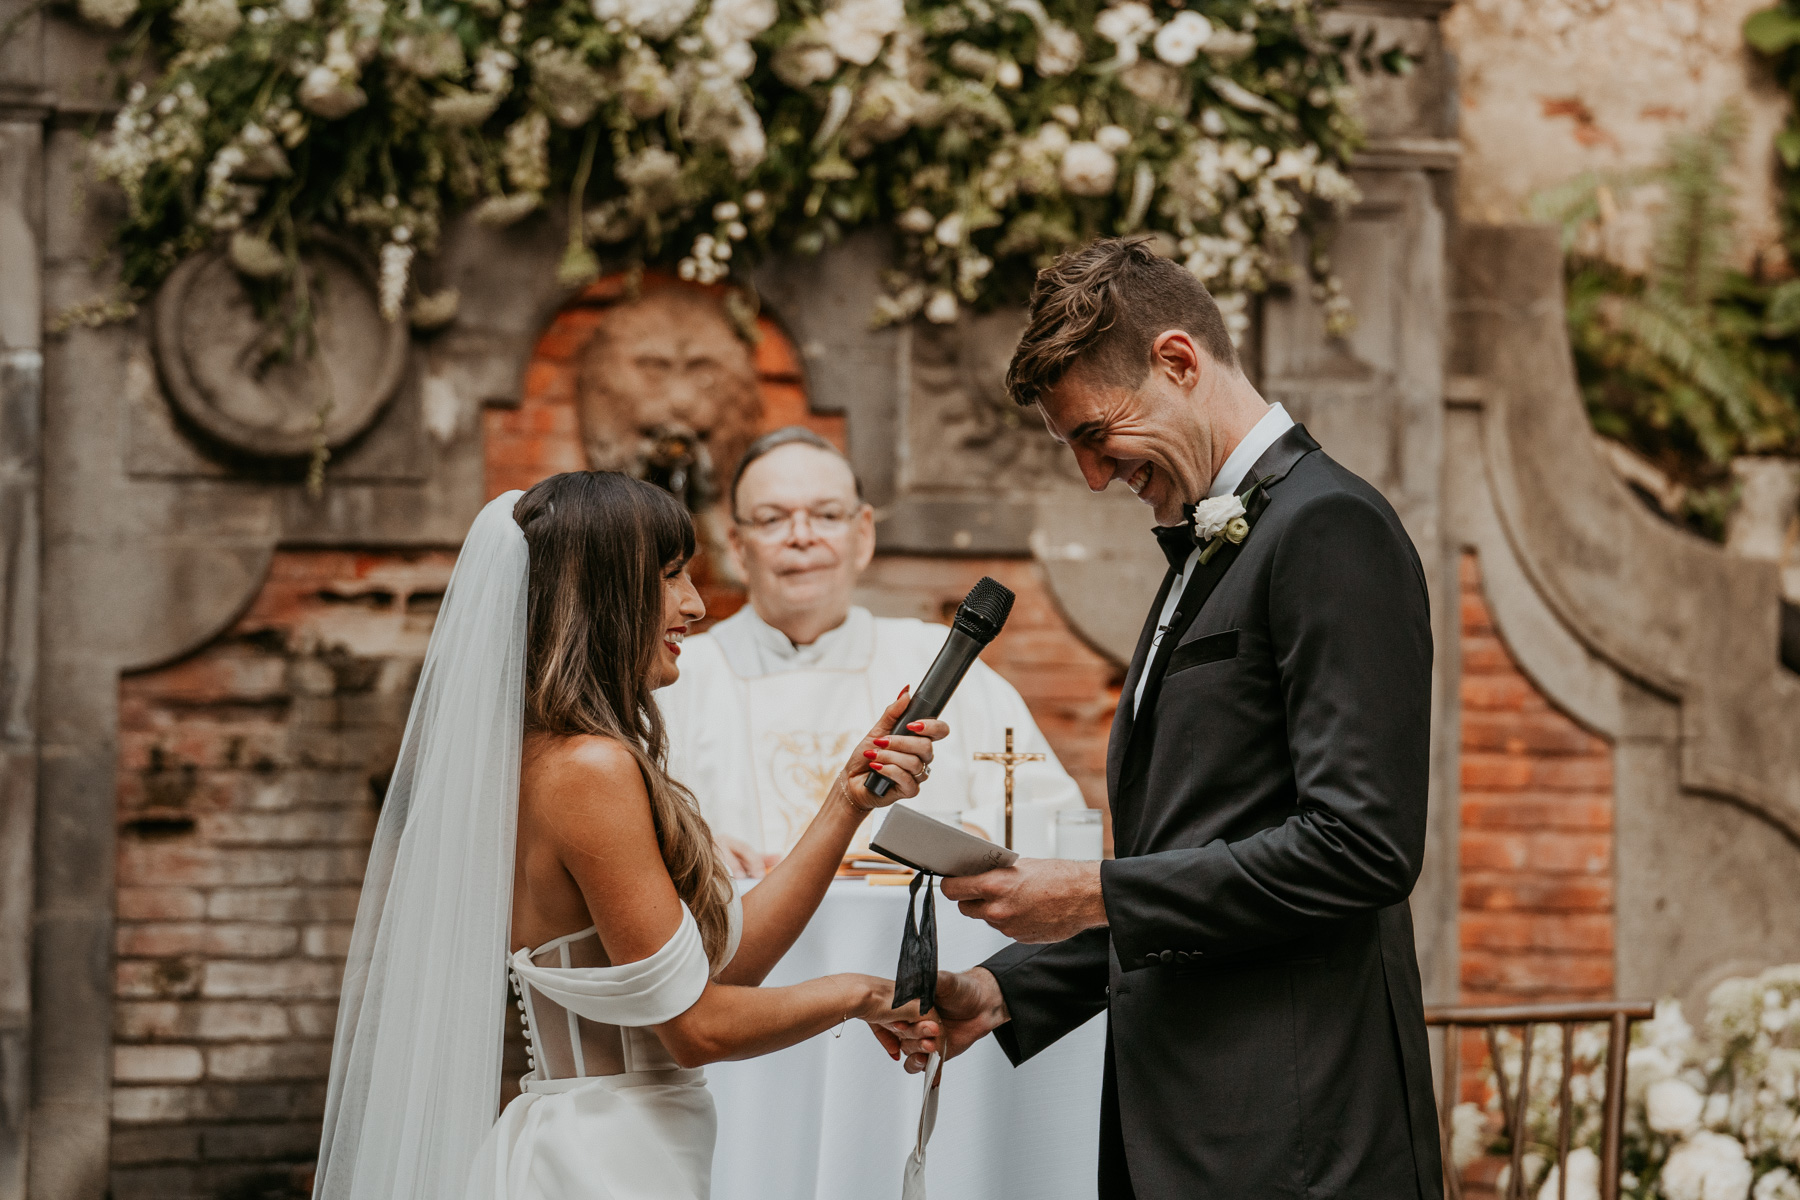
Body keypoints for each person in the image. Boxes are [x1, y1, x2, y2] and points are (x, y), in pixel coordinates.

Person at [886, 238, 1445, 1199]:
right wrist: (1006, 989)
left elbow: (1361, 847)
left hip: (1298, 1139)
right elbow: (1199, 849)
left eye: (1097, 435)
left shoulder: (1328, 528)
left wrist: (1095, 890)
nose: (1095, 478)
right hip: (1183, 1131)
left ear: (1178, 362)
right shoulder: (1209, 544)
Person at [312, 471, 947, 1200]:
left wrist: (845, 803)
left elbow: (717, 974)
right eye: (671, 576)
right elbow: (697, 1028)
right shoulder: (592, 769)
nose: (696, 606)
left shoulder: (540, 756)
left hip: (600, 1141)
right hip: (607, 1162)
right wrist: (865, 993)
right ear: (602, 595)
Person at [658, 426, 1085, 874]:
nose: (801, 536)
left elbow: (1052, 819)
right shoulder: (679, 675)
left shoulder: (936, 661)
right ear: (738, 548)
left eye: (826, 515)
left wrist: (967, 841)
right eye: (771, 519)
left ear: (863, 535)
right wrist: (689, 851)